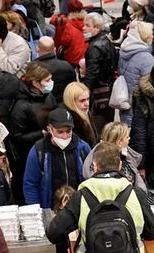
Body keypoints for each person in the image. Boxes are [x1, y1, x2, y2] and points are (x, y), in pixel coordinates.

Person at [23, 107, 92, 209]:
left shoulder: (82, 148)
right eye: (60, 132)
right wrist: (37, 211)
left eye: (68, 131)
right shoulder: (39, 151)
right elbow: (30, 185)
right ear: (49, 129)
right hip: (50, 208)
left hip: (79, 207)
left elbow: (91, 179)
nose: (65, 136)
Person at [8, 62, 57, 197]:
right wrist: (41, 134)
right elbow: (17, 137)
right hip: (29, 157)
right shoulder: (21, 106)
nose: (51, 83)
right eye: (47, 80)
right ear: (36, 83)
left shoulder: (48, 97)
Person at [82, 12, 116, 133]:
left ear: (97, 28)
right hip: (108, 89)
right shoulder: (106, 40)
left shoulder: (94, 48)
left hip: (98, 93)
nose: (83, 28)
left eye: (87, 25)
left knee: (98, 126)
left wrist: (85, 91)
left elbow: (92, 73)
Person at [33, 37, 75, 102]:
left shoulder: (33, 67)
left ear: (37, 48)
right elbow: (73, 87)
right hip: (64, 104)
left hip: (41, 104)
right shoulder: (66, 65)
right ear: (54, 49)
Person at [63, 82, 96, 147]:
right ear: (71, 102)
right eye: (82, 100)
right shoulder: (69, 122)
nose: (87, 104)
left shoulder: (85, 112)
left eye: (88, 99)